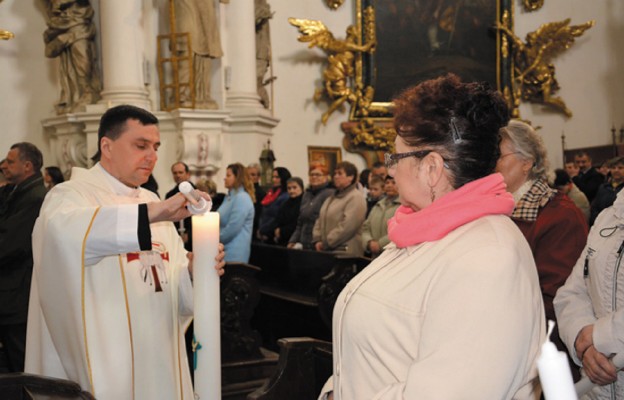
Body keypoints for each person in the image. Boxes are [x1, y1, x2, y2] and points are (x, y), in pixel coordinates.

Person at [319, 74, 545, 400]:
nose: (391, 170)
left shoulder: (488, 257)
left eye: (396, 158)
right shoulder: (419, 229)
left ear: (432, 168)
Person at [24, 105, 225, 400]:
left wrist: (193, 273)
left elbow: (171, 287)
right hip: (107, 366)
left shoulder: (151, 201)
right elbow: (63, 238)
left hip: (159, 358)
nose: (152, 156)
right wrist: (153, 213)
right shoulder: (70, 196)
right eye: (141, 145)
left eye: (156, 147)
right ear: (107, 146)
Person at [496, 119, 588, 380]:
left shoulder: (558, 215)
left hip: (543, 356)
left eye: (499, 156)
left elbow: (558, 299)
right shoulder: (498, 209)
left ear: (526, 162)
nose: (491, 164)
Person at [554, 189, 624, 399]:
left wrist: (600, 336)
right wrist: (581, 338)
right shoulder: (609, 217)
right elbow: (572, 292)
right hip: (596, 392)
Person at [0, 143, 47, 372]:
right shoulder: (16, 191)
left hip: (18, 294)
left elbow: (9, 244)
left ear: (27, 166)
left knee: (20, 365)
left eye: (10, 161)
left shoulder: (35, 198)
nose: (4, 165)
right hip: (10, 293)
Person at [43, 0, 101, 114]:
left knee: (83, 59)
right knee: (68, 64)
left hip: (79, 19)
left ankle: (88, 91)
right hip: (61, 21)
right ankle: (74, 96)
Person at [175, 0, 226, 109]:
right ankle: (182, 93)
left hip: (205, 10)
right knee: (187, 46)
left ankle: (201, 95)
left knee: (204, 50)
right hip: (186, 5)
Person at [312, 161, 366, 256]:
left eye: (340, 173)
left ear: (351, 177)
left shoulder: (355, 197)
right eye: (335, 173)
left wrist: (327, 242)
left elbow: (348, 226)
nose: (336, 176)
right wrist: (317, 239)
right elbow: (320, 219)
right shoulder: (331, 198)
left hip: (345, 251)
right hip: (328, 250)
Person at [288, 165, 334, 250]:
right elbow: (300, 221)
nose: (314, 177)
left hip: (319, 243)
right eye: (311, 174)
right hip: (304, 242)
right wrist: (293, 240)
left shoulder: (330, 194)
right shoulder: (307, 194)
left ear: (326, 177)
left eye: (318, 175)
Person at [218, 163, 255, 263]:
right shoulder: (229, 197)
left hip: (234, 252)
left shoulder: (242, 197)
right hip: (222, 249)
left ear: (238, 177)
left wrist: (214, 239)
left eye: (228, 175)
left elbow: (233, 227)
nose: (224, 178)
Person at [361, 175, 401, 259]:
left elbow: (400, 229)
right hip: (375, 256)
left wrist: (380, 244)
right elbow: (366, 227)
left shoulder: (403, 206)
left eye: (393, 182)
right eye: (387, 183)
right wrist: (369, 242)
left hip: (393, 255)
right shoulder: (378, 205)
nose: (389, 185)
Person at [257, 167, 291, 242]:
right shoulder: (271, 193)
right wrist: (260, 229)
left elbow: (277, 218)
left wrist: (267, 232)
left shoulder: (285, 196)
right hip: (263, 232)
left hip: (273, 235)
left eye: (277, 177)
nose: (274, 180)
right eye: (273, 177)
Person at [166, 162, 193, 250]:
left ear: (188, 174)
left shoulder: (196, 192)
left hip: (194, 238)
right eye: (175, 173)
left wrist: (189, 234)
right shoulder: (170, 195)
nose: (178, 175)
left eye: (180, 172)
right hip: (175, 238)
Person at [590, 156, 624, 226]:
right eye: (613, 168)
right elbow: (595, 207)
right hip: (602, 225)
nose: (616, 170)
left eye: (620, 168)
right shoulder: (603, 187)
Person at [270, 177, 304, 246]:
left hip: (296, 240)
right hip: (282, 239)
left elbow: (298, 222)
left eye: (295, 188)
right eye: (289, 188)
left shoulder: (304, 202)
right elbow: (278, 219)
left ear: (302, 188)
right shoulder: (286, 203)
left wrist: (282, 231)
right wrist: (276, 230)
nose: (291, 191)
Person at [247, 163, 266, 240]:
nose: (255, 177)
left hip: (254, 227)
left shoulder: (260, 192)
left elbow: (259, 212)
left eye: (257, 175)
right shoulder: (244, 190)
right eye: (252, 174)